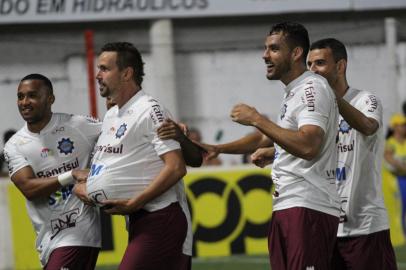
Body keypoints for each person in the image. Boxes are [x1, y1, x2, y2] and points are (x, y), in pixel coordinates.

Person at [202, 22, 340, 270]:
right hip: (288, 203)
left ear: (296, 53)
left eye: (274, 49)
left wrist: (257, 118)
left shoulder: (311, 88)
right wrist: (219, 149)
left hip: (308, 204)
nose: (265, 55)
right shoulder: (293, 92)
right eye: (266, 48)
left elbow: (309, 146)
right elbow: (267, 138)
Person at [85, 42, 191, 270]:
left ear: (126, 73)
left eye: (104, 68)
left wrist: (135, 202)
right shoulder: (113, 114)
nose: (97, 75)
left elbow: (176, 168)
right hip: (138, 220)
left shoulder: (150, 110)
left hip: (160, 216)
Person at [307, 38, 397, 270]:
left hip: (365, 227)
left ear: (340, 66)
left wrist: (331, 98)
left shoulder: (366, 100)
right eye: (309, 65)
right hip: (326, 227)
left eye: (319, 63)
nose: (312, 71)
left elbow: (368, 126)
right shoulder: (313, 112)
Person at [3, 74, 101, 269]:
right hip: (47, 238)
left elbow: (119, 135)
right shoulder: (14, 145)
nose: (24, 102)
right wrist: (72, 175)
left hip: (78, 233)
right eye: (20, 96)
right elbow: (28, 188)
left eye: (32, 96)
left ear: (50, 98)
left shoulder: (78, 125)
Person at [384, 114, 406, 235]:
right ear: (395, 127)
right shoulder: (391, 143)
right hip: (398, 182)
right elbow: (388, 158)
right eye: (402, 125)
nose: (404, 127)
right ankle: (400, 234)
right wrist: (402, 167)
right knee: (400, 209)